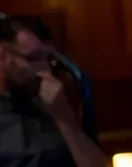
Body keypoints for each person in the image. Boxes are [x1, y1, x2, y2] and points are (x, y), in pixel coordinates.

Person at [0, 14, 108, 167]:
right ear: (3, 56)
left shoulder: (53, 101)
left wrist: (64, 118)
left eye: (48, 59)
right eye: (33, 58)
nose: (45, 70)